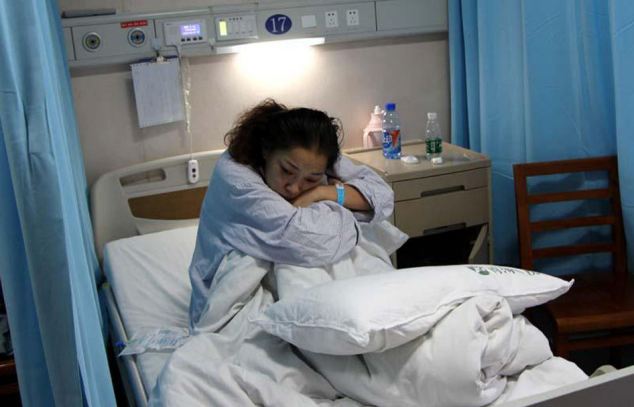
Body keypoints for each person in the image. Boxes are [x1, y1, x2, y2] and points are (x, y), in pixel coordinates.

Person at [189, 99, 394, 326]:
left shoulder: (315, 156)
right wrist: (345, 210)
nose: (295, 188)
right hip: (235, 288)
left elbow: (382, 195)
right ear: (266, 151)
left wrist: (323, 193)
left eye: (311, 179)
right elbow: (304, 239)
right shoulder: (236, 177)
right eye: (287, 171)